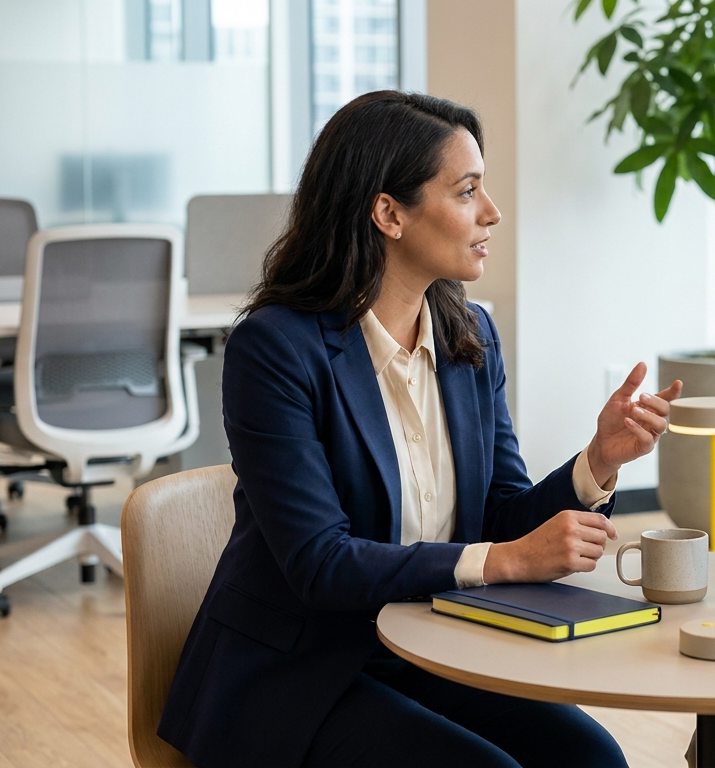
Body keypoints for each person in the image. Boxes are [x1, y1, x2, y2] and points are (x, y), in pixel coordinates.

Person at [157, 91, 680, 768]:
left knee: (592, 759)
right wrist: (503, 560)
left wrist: (595, 465)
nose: (491, 212)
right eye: (466, 191)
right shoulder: (275, 349)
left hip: (435, 643)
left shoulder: (472, 336)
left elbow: (499, 516)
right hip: (303, 672)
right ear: (388, 213)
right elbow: (320, 564)